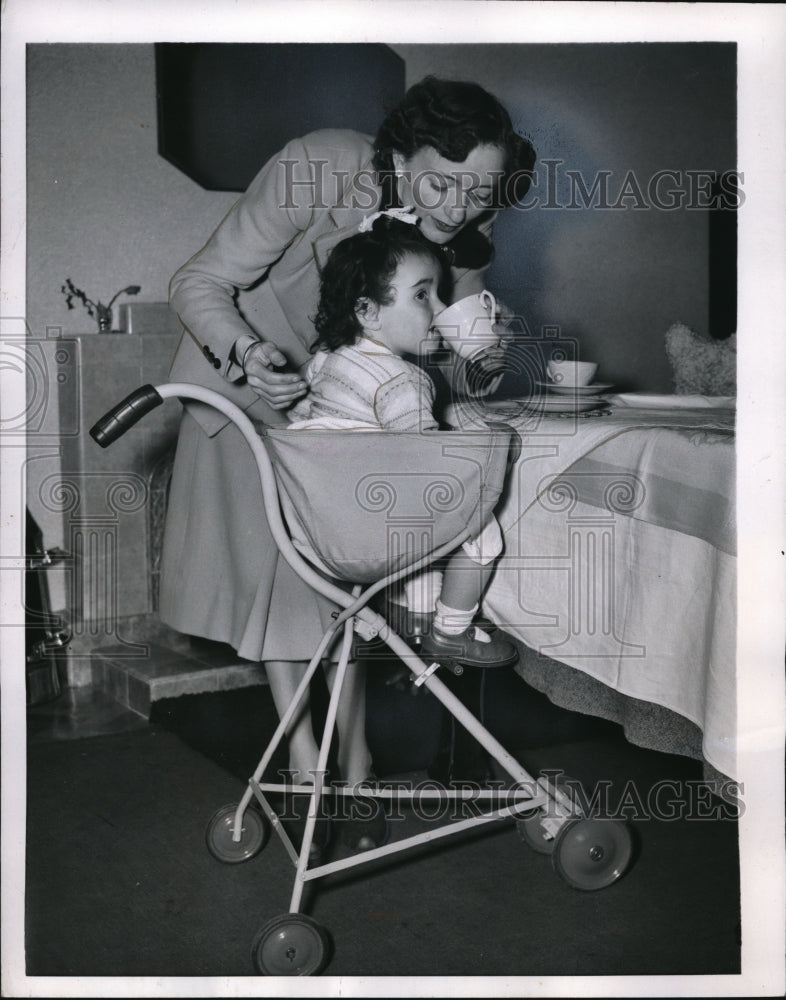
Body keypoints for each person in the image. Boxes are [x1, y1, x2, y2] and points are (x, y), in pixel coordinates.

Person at [159, 76, 536, 789]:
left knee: (342, 586)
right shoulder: (321, 166)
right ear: (401, 157)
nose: (458, 212)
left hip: (352, 417)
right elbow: (199, 282)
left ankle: (354, 757)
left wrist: (487, 355)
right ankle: (305, 755)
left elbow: (447, 368)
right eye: (441, 186)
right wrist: (245, 354)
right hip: (251, 396)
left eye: (479, 193)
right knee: (280, 587)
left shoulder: (465, 241)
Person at [288, 214, 518, 670]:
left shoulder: (324, 362)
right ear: (367, 311)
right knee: (482, 532)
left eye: (438, 294)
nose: (438, 309)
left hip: (318, 528)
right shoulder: (404, 381)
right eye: (421, 295)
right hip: (375, 535)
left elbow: (302, 423)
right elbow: (427, 461)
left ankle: (415, 611)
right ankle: (449, 632)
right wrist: (486, 445)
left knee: (422, 509)